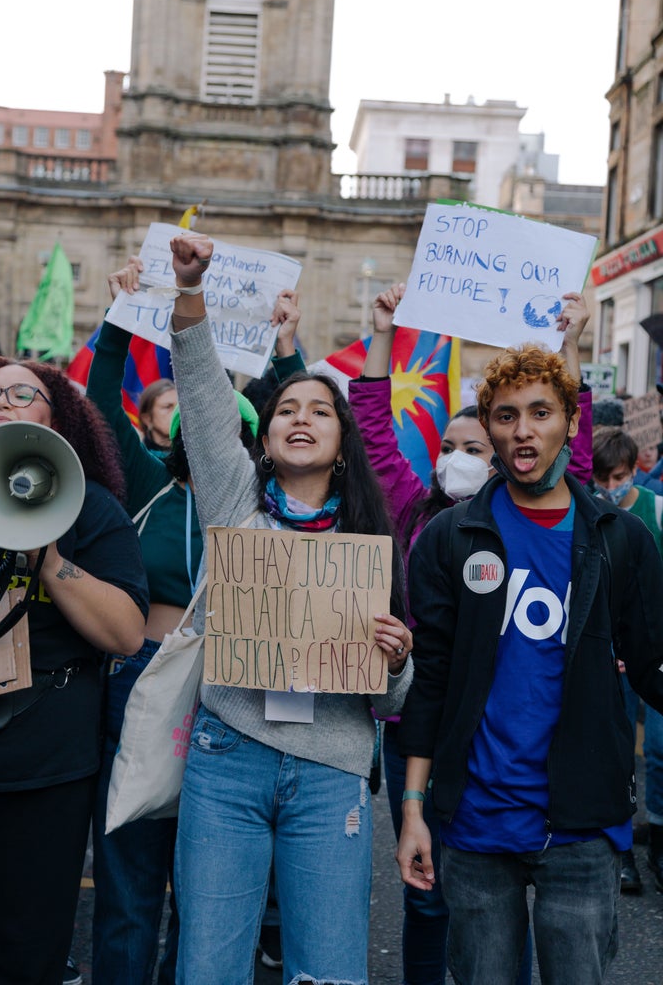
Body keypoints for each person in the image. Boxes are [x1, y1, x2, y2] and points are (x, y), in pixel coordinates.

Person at [144, 228, 413, 985]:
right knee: (209, 969)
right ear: (265, 440)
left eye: (320, 412)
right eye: (287, 407)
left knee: (329, 971)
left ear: (340, 442)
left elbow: (390, 696)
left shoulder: (369, 539)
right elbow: (200, 398)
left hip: (332, 772)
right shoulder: (235, 506)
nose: (300, 416)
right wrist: (189, 297)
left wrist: (397, 658)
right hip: (226, 761)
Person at [396, 341, 663, 985]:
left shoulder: (620, 539)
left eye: (540, 412)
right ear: (489, 428)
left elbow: (653, 665)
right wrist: (412, 809)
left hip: (582, 826)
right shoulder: (448, 537)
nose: (523, 429)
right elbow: (431, 682)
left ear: (571, 422)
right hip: (476, 825)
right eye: (507, 415)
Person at [348, 284, 591, 985]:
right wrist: (386, 332)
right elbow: (369, 424)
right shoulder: (411, 507)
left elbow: (568, 444)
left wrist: (568, 344)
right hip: (421, 723)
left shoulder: (545, 504)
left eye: (473, 446)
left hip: (504, 726)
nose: (457, 455)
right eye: (446, 445)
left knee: (500, 899)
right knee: (430, 897)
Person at [86, 270, 303, 984]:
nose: (222, 441)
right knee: (130, 876)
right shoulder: (150, 488)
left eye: (239, 430)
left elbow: (305, 419)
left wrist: (287, 348)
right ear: (183, 441)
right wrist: (119, 317)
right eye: (205, 430)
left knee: (210, 882)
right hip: (142, 677)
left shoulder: (268, 506)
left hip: (234, 683)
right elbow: (102, 407)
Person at [0, 356, 148, 985]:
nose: (2, 402)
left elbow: (125, 632)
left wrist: (49, 558)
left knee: (20, 962)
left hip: (39, 777)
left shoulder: (92, 510)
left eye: (23, 394)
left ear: (56, 420)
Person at [591, 425, 663, 896]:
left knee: (656, 749)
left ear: (634, 469)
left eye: (617, 477)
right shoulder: (590, 514)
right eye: (601, 479)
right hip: (604, 653)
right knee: (614, 753)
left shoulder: (655, 510)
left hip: (651, 651)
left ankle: (656, 837)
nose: (610, 488)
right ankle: (621, 853)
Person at [137, 377, 179, 452]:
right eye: (168, 407)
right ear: (147, 419)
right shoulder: (136, 458)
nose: (177, 413)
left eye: (179, 407)